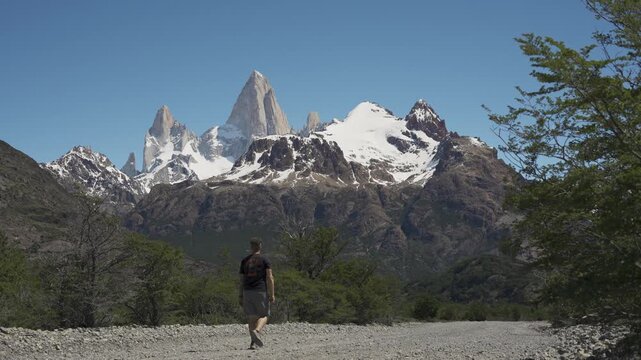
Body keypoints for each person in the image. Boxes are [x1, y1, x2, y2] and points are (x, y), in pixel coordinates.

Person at [239, 238, 275, 349]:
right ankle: (257, 331)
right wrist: (272, 293)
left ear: (251, 246)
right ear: (260, 245)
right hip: (260, 290)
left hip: (247, 291)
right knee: (264, 315)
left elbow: (241, 280)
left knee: (252, 317)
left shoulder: (244, 261)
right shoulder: (265, 260)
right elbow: (269, 277)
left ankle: (253, 343)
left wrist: (240, 295)